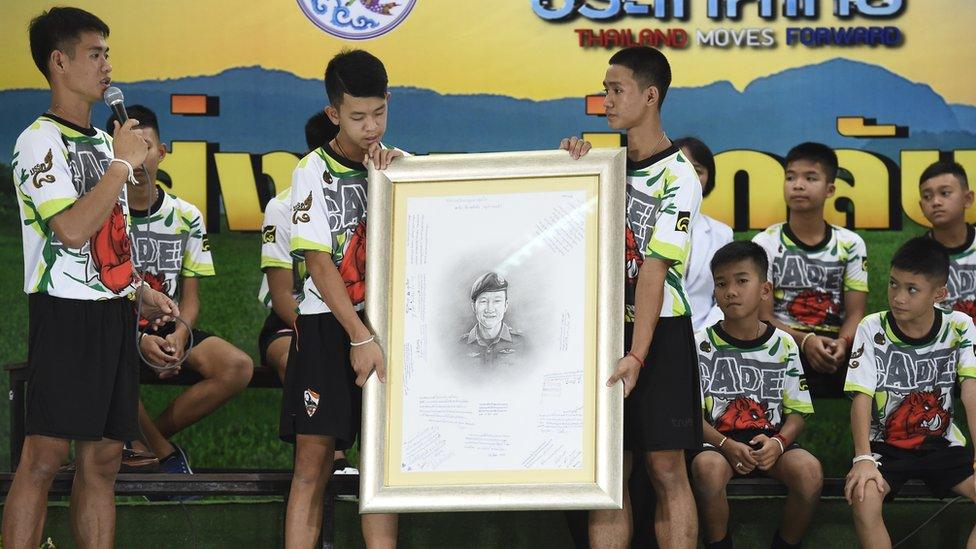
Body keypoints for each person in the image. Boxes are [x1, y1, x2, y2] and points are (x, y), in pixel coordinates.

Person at [2, 8, 178, 547]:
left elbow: (111, 240)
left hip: (112, 313)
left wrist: (137, 291)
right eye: (95, 53)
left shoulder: (105, 145)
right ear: (60, 62)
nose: (107, 66)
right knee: (45, 455)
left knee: (103, 459)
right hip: (64, 314)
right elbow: (74, 230)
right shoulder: (38, 141)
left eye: (108, 54)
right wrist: (124, 166)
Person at [561, 45, 703, 549]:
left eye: (616, 90)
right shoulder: (603, 165)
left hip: (659, 335)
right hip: (605, 332)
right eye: (604, 90)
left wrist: (637, 354)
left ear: (650, 95)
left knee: (667, 469)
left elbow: (654, 271)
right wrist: (568, 167)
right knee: (608, 471)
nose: (606, 100)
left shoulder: (679, 176)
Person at [280, 49, 401, 548]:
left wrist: (392, 182)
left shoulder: (400, 169)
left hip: (386, 327)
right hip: (331, 327)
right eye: (357, 117)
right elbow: (318, 262)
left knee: (380, 469)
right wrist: (358, 335)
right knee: (311, 466)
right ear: (334, 114)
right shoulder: (310, 172)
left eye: (378, 113)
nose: (370, 127)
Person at [106, 105, 253, 475]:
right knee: (103, 353)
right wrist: (138, 338)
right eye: (126, 149)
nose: (138, 158)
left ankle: (141, 439)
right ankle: (163, 452)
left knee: (237, 367)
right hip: (116, 328)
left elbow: (191, 297)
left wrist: (181, 336)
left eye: (146, 147)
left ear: (161, 152)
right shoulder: (104, 211)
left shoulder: (186, 215)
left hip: (169, 326)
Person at [844, 237, 976, 548]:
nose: (898, 297)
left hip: (942, 444)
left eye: (911, 289)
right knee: (863, 496)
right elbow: (861, 397)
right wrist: (862, 457)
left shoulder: (960, 326)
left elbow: (971, 393)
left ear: (939, 294)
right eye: (893, 284)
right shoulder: (871, 327)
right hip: (885, 447)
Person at [691, 241, 821, 549]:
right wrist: (726, 445)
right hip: (717, 446)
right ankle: (719, 543)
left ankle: (785, 544)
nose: (731, 291)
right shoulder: (699, 344)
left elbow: (797, 413)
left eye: (741, 280)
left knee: (810, 472)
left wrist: (779, 443)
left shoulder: (785, 344)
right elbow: (691, 417)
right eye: (721, 284)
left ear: (765, 290)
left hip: (772, 447)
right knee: (706, 469)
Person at [258, 110, 355, 474]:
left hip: (355, 320)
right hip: (298, 321)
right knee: (295, 357)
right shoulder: (283, 207)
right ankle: (329, 453)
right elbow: (282, 297)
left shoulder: (372, 189)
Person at [752, 142, 868, 397]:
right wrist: (803, 341)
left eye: (810, 178)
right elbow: (763, 316)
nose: (798, 185)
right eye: (790, 177)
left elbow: (855, 312)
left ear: (830, 189)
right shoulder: (765, 243)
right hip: (782, 342)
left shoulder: (851, 244)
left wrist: (843, 344)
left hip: (834, 346)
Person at [673, 136, 734, 332]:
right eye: (681, 167)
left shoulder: (722, 234)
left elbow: (727, 294)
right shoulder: (642, 226)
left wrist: (704, 335)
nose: (689, 176)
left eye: (697, 171)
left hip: (705, 339)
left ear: (709, 178)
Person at [917, 160, 976, 321]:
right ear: (922, 207)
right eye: (927, 196)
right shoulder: (915, 256)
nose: (935, 202)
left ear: (968, 199)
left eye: (945, 193)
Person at [459, 272, 523, 364]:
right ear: (473, 306)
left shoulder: (523, 344)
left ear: (505, 305)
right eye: (483, 301)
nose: (490, 309)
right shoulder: (459, 347)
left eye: (497, 301)